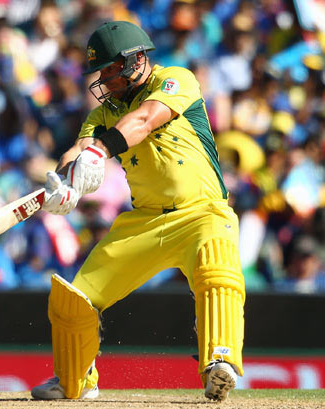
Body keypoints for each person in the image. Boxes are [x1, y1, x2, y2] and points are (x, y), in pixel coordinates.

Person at [32, 21, 245, 402]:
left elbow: (145, 120)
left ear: (137, 60)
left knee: (218, 272)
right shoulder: (104, 113)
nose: (104, 80)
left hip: (203, 213)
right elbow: (79, 148)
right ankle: (75, 380)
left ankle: (219, 364)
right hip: (144, 220)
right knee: (74, 299)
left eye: (110, 70)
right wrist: (62, 180)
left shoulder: (176, 79)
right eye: (101, 73)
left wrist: (101, 151)